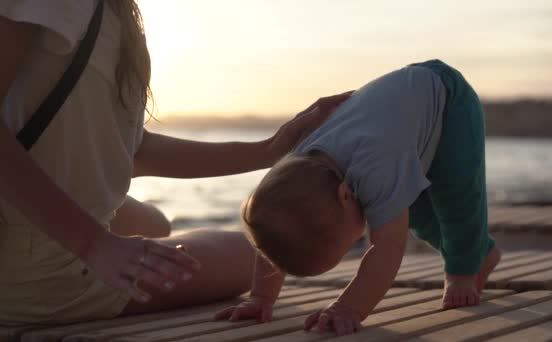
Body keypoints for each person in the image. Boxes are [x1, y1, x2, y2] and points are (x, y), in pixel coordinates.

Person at [0, 0, 351, 324]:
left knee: (156, 222)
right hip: (35, 273)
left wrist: (269, 149)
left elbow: (130, 152)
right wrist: (94, 244)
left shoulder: (110, 12)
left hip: (33, 226)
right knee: (252, 254)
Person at [214, 60, 503, 336]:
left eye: (350, 242)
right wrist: (261, 298)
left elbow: (387, 248)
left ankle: (464, 270)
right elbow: (274, 234)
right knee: (413, 215)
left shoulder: (375, 166)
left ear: (345, 195)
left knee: (455, 200)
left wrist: (348, 308)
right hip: (401, 125)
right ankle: (482, 251)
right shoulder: (294, 169)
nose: (361, 234)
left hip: (448, 100)